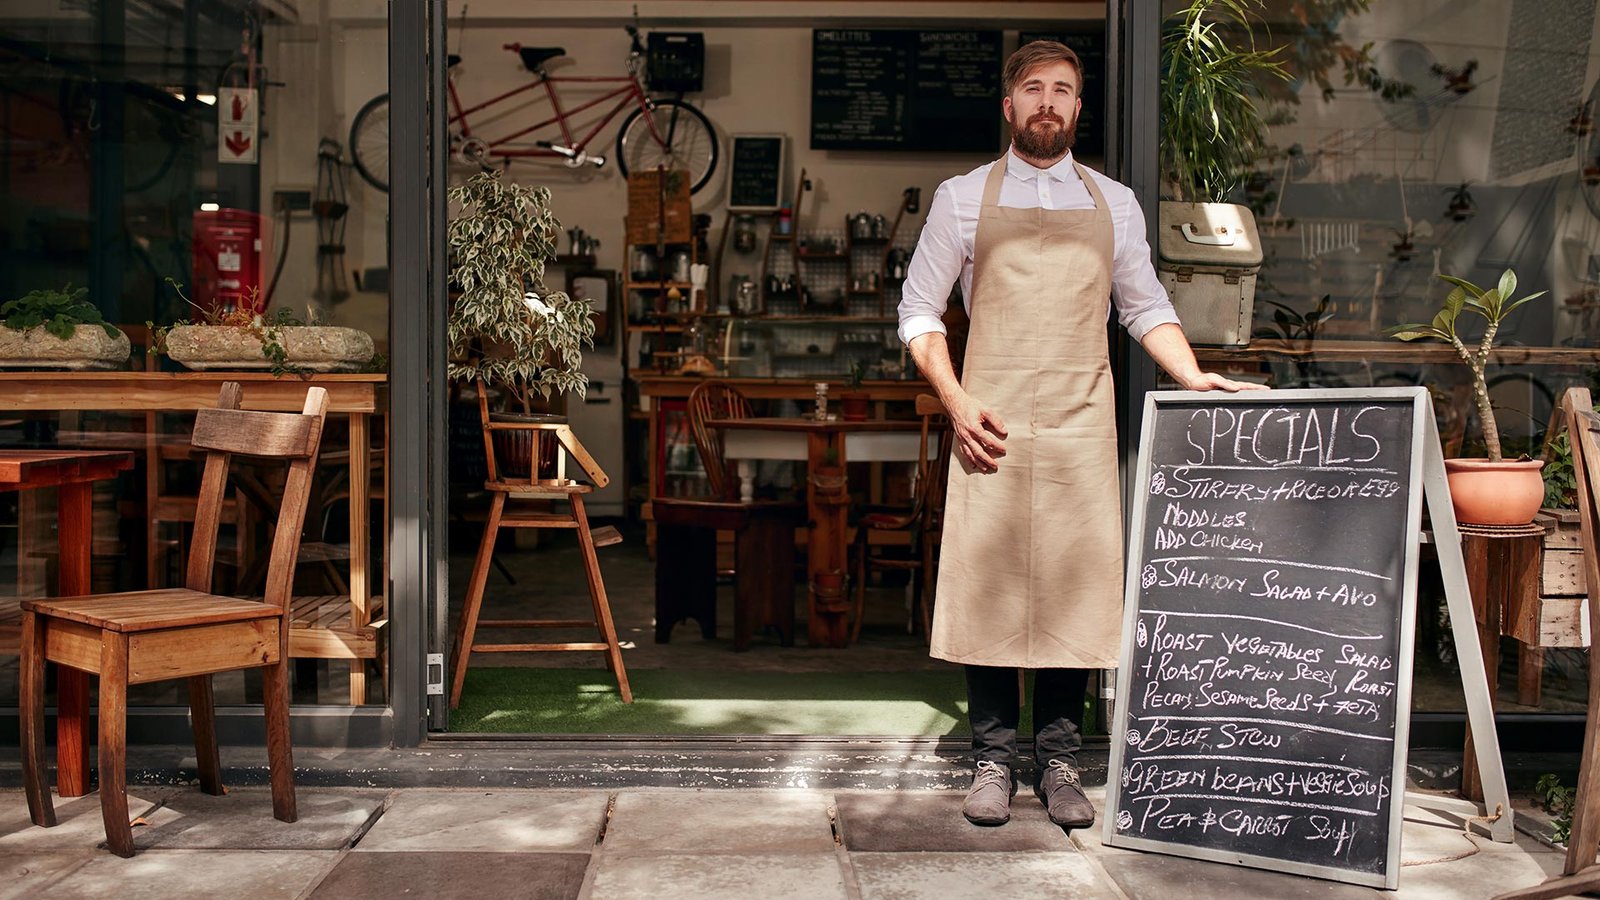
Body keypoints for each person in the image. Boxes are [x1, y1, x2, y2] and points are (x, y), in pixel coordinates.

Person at [897, 40, 1265, 829]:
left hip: (1078, 420)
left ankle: (1060, 758)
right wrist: (957, 402)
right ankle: (992, 756)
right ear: (1009, 105)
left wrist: (1193, 375)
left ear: (1077, 108)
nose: (1048, 103)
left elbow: (1144, 306)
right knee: (991, 587)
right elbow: (919, 312)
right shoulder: (962, 197)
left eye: (1063, 90)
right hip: (989, 423)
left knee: (1071, 582)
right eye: (1033, 88)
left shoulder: (1116, 203)